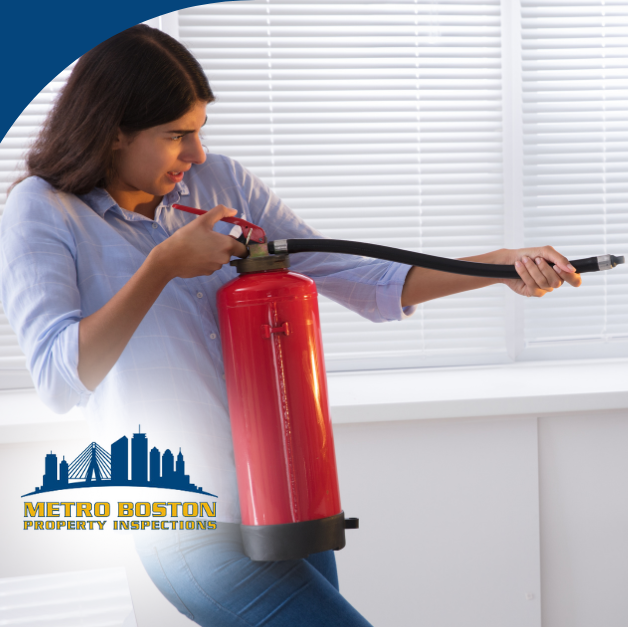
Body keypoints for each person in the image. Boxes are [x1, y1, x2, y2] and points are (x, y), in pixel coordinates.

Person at [0, 25, 581, 627]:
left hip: (285, 496)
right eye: (177, 136)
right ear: (113, 129)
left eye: (200, 131)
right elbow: (60, 378)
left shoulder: (219, 182)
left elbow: (355, 275)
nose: (196, 154)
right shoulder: (43, 211)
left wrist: (497, 267)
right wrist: (162, 267)